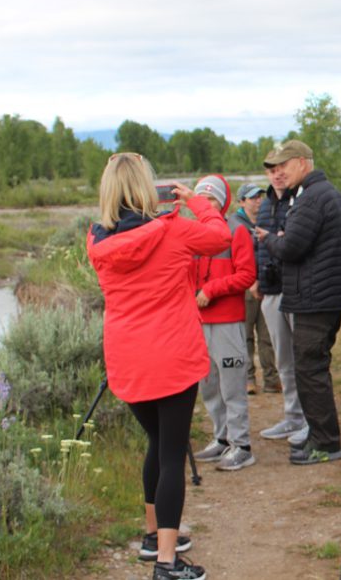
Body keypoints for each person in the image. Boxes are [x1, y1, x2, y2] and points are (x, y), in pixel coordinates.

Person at [87, 153, 229, 580]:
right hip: (172, 357)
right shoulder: (172, 229)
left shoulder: (96, 240)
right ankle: (167, 563)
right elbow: (220, 237)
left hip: (127, 359)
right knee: (171, 455)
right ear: (149, 188)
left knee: (156, 442)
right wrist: (196, 202)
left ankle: (153, 537)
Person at [256, 140, 341, 466]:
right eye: (275, 167)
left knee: (310, 369)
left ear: (302, 162)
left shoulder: (312, 198)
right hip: (322, 295)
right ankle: (320, 437)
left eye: (284, 164)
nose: (279, 172)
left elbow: (292, 249)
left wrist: (269, 239)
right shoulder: (321, 194)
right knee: (312, 368)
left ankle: (326, 443)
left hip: (316, 299)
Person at [190, 175, 257, 472]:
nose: (207, 206)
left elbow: (246, 275)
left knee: (232, 387)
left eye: (212, 200)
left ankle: (241, 446)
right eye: (201, 200)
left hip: (227, 321)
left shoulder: (236, 230)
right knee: (209, 385)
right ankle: (222, 438)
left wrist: (210, 291)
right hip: (199, 322)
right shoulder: (194, 233)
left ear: (223, 201)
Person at [255, 163, 308, 447]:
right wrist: (257, 280)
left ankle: (310, 420)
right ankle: (293, 416)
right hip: (271, 290)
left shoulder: (299, 200)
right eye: (271, 170)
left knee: (304, 358)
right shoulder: (265, 205)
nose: (276, 174)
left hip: (296, 289)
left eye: (280, 169)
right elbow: (259, 245)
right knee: (283, 359)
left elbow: (296, 243)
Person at [232, 183, 280, 395]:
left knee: (267, 334)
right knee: (245, 335)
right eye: (253, 198)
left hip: (265, 283)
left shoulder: (265, 220)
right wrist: (249, 281)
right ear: (242, 201)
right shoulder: (235, 224)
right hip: (244, 286)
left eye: (260, 196)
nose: (258, 200)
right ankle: (248, 379)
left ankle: (271, 380)